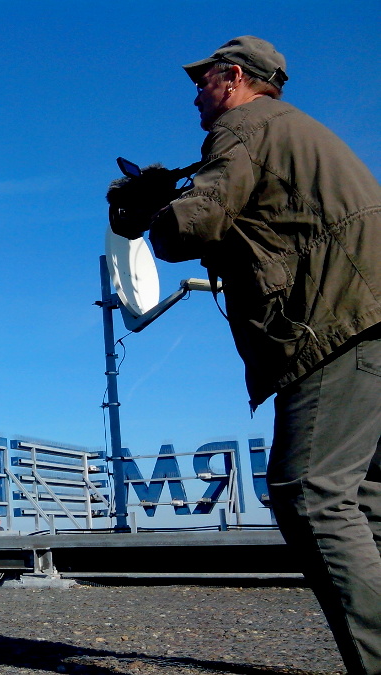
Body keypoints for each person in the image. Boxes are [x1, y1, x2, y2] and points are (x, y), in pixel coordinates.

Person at [118, 36, 381, 675]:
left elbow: (198, 220)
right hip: (371, 319)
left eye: (203, 80)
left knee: (308, 493)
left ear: (233, 77)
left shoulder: (244, 124)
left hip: (334, 323)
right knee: (364, 501)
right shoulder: (295, 130)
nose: (197, 93)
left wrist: (150, 212)